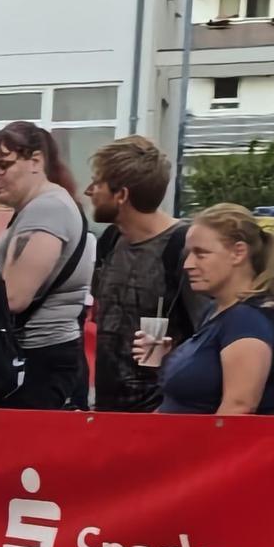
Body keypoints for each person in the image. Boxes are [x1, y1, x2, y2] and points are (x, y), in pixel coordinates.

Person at [139, 204, 274, 416]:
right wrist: (170, 358)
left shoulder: (247, 320)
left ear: (238, 253)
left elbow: (237, 409)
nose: (188, 264)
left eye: (201, 254)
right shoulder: (218, 312)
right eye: (189, 254)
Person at [0, 122, 94, 410]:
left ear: (35, 161)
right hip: (42, 354)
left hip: (40, 357)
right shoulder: (42, 207)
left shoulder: (46, 209)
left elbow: (13, 297)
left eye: (3, 165)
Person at [87, 136, 193, 413]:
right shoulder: (110, 240)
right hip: (108, 410)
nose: (89, 191)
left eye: (97, 183)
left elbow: (211, 334)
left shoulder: (184, 247)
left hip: (162, 413)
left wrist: (173, 349)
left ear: (121, 195)